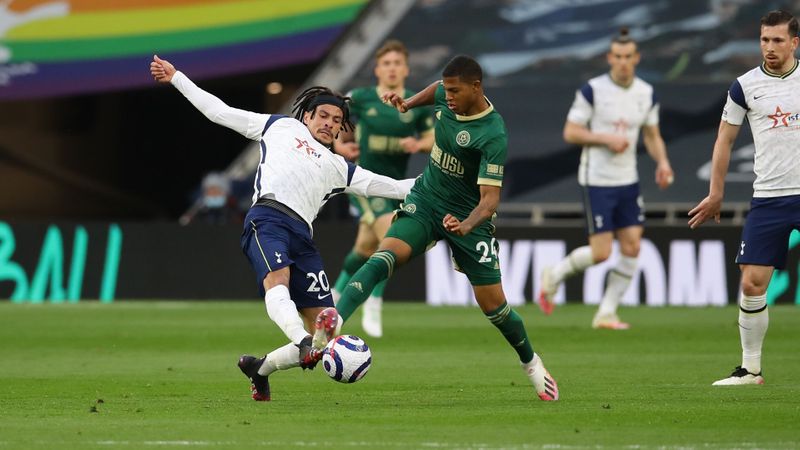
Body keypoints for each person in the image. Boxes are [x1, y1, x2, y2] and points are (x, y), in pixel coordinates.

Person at [150, 55, 415, 401]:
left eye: (337, 121)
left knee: (328, 331)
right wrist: (177, 78)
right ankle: (301, 340)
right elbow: (219, 112)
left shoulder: (339, 166)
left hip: (303, 238)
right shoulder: (280, 127)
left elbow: (394, 186)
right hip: (267, 219)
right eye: (323, 115)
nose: (329, 123)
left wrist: (446, 184)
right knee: (280, 285)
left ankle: (260, 368)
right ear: (307, 115)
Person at [320, 55, 559, 401]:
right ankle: (333, 323)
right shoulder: (447, 96)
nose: (447, 97)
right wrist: (407, 103)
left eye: (455, 91)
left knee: (495, 307)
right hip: (427, 200)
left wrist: (466, 225)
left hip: (469, 218)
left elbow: (491, 200)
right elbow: (434, 90)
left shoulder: (492, 134)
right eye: (446, 89)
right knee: (383, 256)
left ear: (476, 88)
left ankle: (532, 363)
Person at [688, 10, 800, 386]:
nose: (769, 47)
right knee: (752, 283)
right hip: (769, 197)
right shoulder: (745, 86)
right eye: (765, 40)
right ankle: (751, 369)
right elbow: (725, 139)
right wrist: (716, 192)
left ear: (795, 43)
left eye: (778, 40)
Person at [538, 28, 674, 329]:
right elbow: (571, 132)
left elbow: (651, 134)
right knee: (602, 253)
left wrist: (662, 162)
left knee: (632, 247)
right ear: (609, 58)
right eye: (618, 57)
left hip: (628, 179)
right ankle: (555, 275)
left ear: (636, 58)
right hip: (597, 179)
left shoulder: (646, 93)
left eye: (628, 57)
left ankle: (606, 312)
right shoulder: (592, 90)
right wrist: (605, 139)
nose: (623, 62)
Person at [331, 40, 434, 338]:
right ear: (377, 69)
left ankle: (336, 297)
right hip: (364, 183)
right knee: (392, 237)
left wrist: (419, 144)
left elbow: (432, 139)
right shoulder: (361, 98)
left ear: (406, 69)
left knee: (364, 249)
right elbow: (335, 115)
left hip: (396, 188)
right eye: (386, 63)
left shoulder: (414, 105)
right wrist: (339, 144)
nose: (391, 68)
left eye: (396, 63)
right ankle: (374, 300)